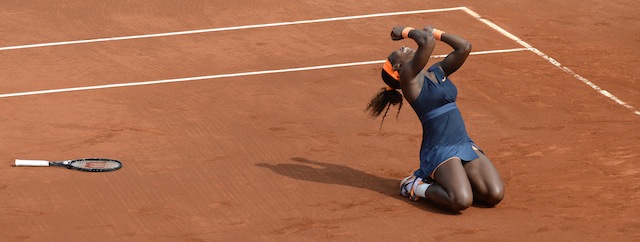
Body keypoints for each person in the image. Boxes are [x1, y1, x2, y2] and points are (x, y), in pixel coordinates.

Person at [365, 25, 505, 212]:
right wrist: (404, 31)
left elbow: (464, 47)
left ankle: (456, 180)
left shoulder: (437, 72)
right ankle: (416, 186)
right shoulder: (409, 80)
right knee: (460, 201)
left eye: (401, 46)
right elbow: (426, 42)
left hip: (463, 142)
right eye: (398, 52)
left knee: (494, 194)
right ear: (399, 68)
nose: (403, 48)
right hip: (439, 149)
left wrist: (437, 33)